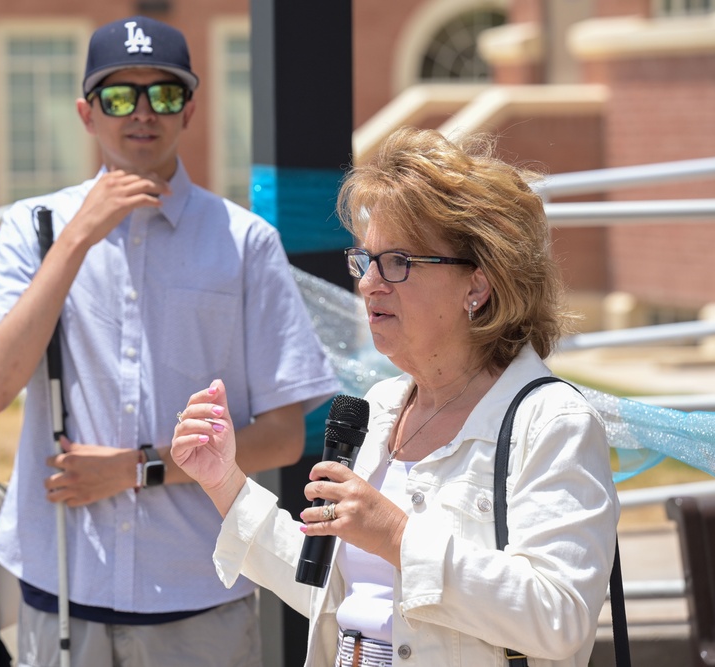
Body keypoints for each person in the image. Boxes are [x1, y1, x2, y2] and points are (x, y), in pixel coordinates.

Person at [0, 14, 339, 667]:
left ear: (189, 110)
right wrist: (79, 236)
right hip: (61, 587)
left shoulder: (245, 242)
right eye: (118, 95)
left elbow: (283, 432)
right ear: (86, 112)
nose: (142, 111)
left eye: (163, 93)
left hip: (201, 591)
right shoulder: (35, 228)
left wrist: (137, 468)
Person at [172, 127, 620, 667]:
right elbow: (333, 594)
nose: (369, 284)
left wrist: (395, 534)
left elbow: (559, 619)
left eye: (398, 262)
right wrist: (224, 481)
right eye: (365, 260)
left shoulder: (552, 422)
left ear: (477, 285)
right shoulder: (382, 407)